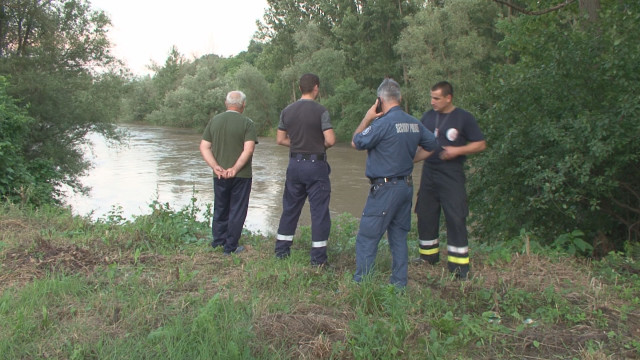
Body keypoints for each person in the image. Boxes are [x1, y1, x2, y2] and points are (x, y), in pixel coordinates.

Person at [351, 78, 440, 288]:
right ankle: (399, 285)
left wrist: (367, 117)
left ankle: (361, 284)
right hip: (405, 187)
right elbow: (432, 145)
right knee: (399, 238)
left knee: (367, 237)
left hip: (384, 190)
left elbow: (356, 141)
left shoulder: (382, 124)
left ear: (380, 101)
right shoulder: (413, 122)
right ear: (399, 98)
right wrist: (409, 160)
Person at [414, 81, 486, 279]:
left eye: (437, 98)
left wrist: (458, 150)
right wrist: (407, 161)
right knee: (425, 212)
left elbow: (480, 144)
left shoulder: (464, 118)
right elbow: (420, 146)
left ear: (448, 98)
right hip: (429, 171)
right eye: (431, 97)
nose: (432, 101)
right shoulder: (427, 117)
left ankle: (459, 266)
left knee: (455, 216)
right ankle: (428, 257)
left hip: (451, 173)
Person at [274, 73, 336, 266]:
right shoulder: (321, 111)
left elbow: (280, 139)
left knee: (290, 209)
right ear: (316, 88)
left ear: (300, 88)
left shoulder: (287, 111)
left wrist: (299, 145)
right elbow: (331, 140)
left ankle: (281, 252)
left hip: (294, 165)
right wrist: (317, 145)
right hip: (315, 166)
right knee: (319, 212)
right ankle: (318, 259)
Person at [200, 90, 257, 255]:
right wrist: (235, 169)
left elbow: (204, 146)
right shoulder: (247, 123)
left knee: (220, 207)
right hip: (241, 175)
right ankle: (230, 247)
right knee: (237, 210)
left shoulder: (214, 121)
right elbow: (249, 150)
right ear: (243, 105)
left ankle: (218, 242)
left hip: (219, 174)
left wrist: (215, 166)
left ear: (226, 103)